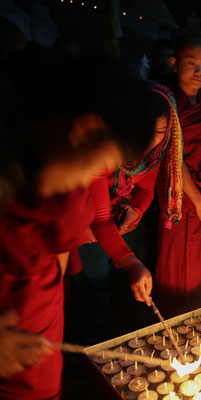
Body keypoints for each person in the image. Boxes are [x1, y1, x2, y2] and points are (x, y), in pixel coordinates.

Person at [0, 47, 157, 399]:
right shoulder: (8, 181)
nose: (89, 181)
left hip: (36, 356)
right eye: (98, 166)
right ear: (86, 131)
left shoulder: (43, 180)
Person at [66, 83, 183, 341]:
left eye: (161, 132)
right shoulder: (102, 151)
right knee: (94, 299)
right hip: (87, 229)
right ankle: (93, 358)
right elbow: (99, 219)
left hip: (121, 226)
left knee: (126, 297)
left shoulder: (155, 152)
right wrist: (131, 262)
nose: (150, 140)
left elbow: (145, 191)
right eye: (143, 130)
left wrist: (137, 212)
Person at [154, 34, 201, 316]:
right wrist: (199, 203)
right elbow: (170, 156)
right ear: (174, 64)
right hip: (182, 201)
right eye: (192, 63)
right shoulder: (164, 101)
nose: (200, 72)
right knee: (179, 269)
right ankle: (174, 330)